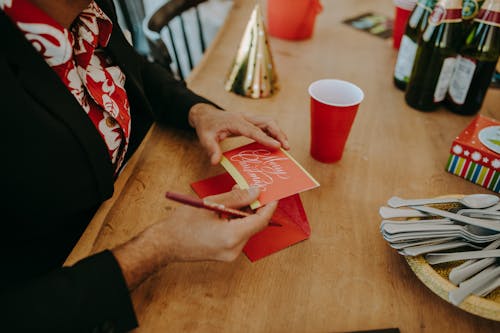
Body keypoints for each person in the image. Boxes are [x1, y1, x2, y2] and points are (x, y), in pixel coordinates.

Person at [0, 0, 289, 331]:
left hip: (136, 199)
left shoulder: (85, 6)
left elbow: (126, 64)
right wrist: (160, 247)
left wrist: (197, 111)